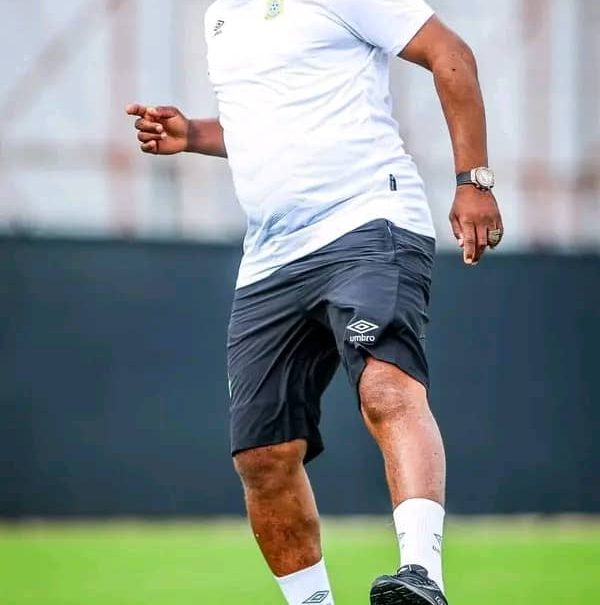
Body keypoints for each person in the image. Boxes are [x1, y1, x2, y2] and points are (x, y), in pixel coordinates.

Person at [127, 1, 503, 603]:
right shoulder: (221, 16)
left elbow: (449, 53)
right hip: (271, 254)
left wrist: (472, 181)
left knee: (385, 388)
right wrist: (193, 135)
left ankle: (421, 576)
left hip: (367, 218)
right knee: (262, 455)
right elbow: (262, 124)